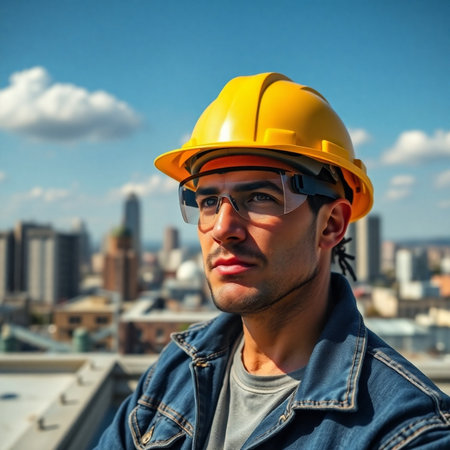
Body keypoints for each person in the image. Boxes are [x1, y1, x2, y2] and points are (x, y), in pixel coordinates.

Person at [96, 73, 450, 449]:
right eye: (208, 202)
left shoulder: (404, 432)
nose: (223, 228)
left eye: (261, 197)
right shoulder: (176, 370)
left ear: (330, 225)